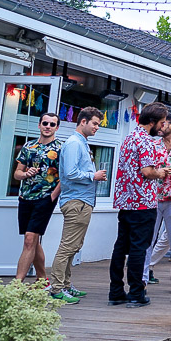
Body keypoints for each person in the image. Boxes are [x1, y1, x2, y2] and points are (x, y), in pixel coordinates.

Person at [109, 101, 171, 308]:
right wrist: (160, 172)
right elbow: (147, 171)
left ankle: (116, 291)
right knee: (139, 248)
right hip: (142, 202)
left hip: (125, 202)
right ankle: (136, 292)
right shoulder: (145, 141)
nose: (163, 127)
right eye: (162, 123)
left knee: (120, 247)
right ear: (152, 122)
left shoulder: (129, 137)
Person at [49, 107, 107, 303]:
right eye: (95, 123)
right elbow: (71, 173)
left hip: (81, 201)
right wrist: (94, 175)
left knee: (74, 246)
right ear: (83, 122)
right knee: (67, 247)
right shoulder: (74, 144)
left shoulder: (81, 143)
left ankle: (65, 284)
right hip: (77, 202)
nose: (97, 128)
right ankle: (57, 288)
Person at [143, 113, 171, 302]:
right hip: (153, 197)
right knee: (148, 240)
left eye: (163, 124)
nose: (159, 128)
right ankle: (143, 280)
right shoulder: (153, 144)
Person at [13, 112, 61, 283]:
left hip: (45, 197)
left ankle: (16, 284)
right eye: (45, 123)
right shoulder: (28, 146)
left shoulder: (60, 148)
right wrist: (25, 173)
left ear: (56, 127)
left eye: (52, 124)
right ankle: (42, 280)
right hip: (25, 196)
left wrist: (52, 196)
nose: (48, 127)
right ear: (39, 125)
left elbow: (65, 177)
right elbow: (17, 174)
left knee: (29, 239)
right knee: (33, 241)